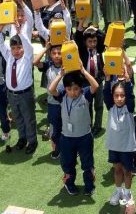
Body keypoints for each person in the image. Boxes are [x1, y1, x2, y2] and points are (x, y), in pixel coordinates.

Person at [49, 68, 98, 196]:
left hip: (84, 137)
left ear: (81, 88)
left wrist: (83, 71)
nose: (73, 92)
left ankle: (89, 185)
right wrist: (60, 74)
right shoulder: (62, 95)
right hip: (66, 138)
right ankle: (69, 183)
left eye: (76, 88)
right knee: (68, 163)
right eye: (69, 89)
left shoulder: (85, 94)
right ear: (65, 89)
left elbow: (95, 85)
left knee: (87, 163)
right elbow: (51, 89)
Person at [0, 17, 38, 154]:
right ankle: (22, 138)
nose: (16, 51)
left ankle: (32, 141)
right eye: (13, 48)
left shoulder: (27, 57)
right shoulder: (9, 57)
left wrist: (20, 33)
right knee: (17, 118)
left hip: (25, 94)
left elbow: (28, 46)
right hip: (11, 94)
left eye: (19, 47)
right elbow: (0, 44)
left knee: (28, 118)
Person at [103, 75, 136, 204]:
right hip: (114, 145)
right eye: (116, 95)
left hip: (127, 147)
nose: (119, 98)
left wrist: (127, 81)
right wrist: (107, 79)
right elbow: (105, 93)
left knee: (127, 171)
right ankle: (118, 191)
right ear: (112, 97)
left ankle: (127, 193)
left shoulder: (129, 108)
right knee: (117, 170)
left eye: (122, 95)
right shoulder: (111, 107)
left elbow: (130, 95)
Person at [74, 22, 105, 136]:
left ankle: (98, 126)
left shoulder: (100, 48)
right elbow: (77, 37)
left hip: (98, 80)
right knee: (88, 104)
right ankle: (89, 125)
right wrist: (82, 28)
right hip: (85, 82)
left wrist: (94, 29)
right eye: (90, 41)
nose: (93, 44)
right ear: (85, 42)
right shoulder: (81, 50)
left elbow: (104, 36)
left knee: (99, 104)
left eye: (95, 41)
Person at [34, 42, 63, 158]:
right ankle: (57, 149)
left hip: (66, 104)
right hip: (53, 104)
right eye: (54, 53)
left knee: (67, 128)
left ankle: (70, 150)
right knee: (54, 129)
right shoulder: (48, 65)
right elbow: (35, 62)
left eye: (59, 53)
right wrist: (46, 48)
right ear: (50, 54)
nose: (56, 55)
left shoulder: (68, 64)